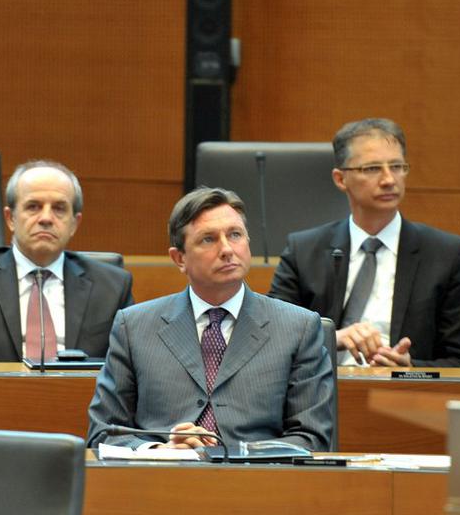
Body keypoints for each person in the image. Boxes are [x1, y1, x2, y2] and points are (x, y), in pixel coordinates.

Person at [87, 187, 334, 451]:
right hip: (164, 473)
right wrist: (160, 452)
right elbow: (104, 432)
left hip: (258, 474)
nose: (227, 249)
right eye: (208, 239)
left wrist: (235, 455)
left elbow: (312, 437)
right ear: (179, 258)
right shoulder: (134, 326)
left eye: (235, 235)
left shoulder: (298, 327)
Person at [269, 118, 460, 368]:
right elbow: (272, 337)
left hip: (402, 391)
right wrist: (331, 338)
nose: (389, 179)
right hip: (319, 386)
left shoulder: (447, 255)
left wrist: (411, 370)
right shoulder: (304, 251)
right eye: (372, 168)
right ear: (340, 179)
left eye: (397, 166)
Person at [0, 160, 134, 361]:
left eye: (59, 208)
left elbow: (129, 370)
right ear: (10, 218)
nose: (46, 218)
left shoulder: (112, 287)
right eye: (33, 206)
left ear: (74, 224)